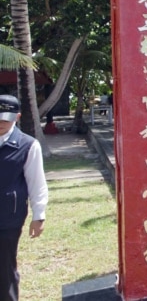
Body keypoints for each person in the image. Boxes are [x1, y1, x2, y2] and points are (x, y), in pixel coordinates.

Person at [0, 95, 47, 301]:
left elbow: (37, 182)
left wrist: (39, 215)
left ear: (17, 117)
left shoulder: (28, 145)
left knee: (4, 268)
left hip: (8, 216)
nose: (1, 123)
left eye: (6, 118)